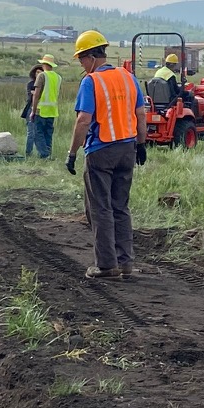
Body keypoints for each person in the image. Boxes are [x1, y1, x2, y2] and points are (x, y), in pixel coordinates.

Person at [65, 30, 147, 279]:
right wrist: (141, 144)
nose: (81, 64)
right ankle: (125, 263)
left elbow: (83, 121)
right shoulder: (127, 77)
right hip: (127, 149)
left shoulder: (91, 82)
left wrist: (71, 153)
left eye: (81, 59)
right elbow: (141, 114)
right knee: (120, 207)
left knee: (100, 209)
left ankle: (106, 266)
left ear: (90, 56)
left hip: (101, 151)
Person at [25, 56, 61, 158]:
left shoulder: (42, 76)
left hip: (41, 110)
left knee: (38, 133)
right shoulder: (58, 77)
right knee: (48, 133)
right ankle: (48, 153)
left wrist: (33, 110)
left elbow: (36, 95)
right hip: (52, 110)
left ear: (44, 64)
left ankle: (44, 154)